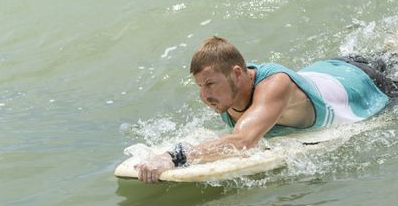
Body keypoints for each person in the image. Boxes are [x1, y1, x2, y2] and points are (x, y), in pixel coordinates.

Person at [136, 35, 398, 183]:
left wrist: (174, 157)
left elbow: (242, 141)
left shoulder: (275, 85)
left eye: (210, 84)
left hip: (366, 83)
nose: (204, 95)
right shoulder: (231, 89)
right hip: (330, 68)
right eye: (200, 86)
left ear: (237, 73)